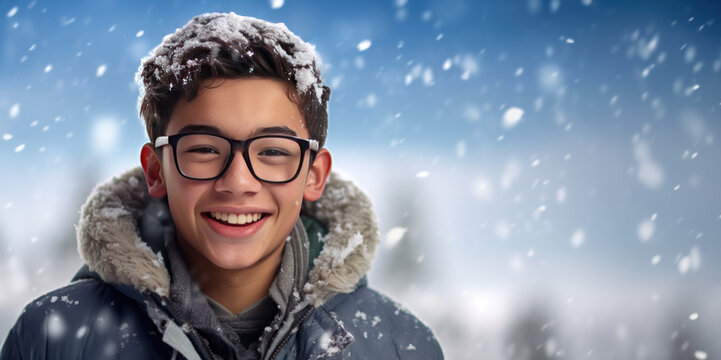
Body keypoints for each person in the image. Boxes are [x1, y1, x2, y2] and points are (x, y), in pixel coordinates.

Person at [1, 12, 443, 360]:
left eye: (272, 150)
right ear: (156, 170)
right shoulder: (51, 337)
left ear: (313, 175)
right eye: (205, 149)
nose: (237, 182)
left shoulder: (402, 346)